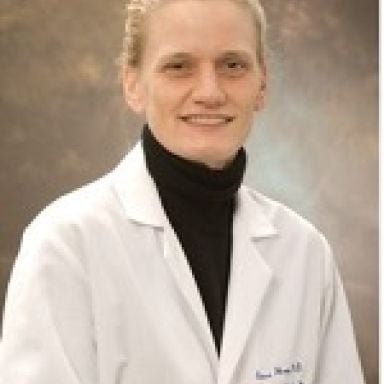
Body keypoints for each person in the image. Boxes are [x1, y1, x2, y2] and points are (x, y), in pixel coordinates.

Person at [0, 0, 366, 383]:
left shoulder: (305, 254)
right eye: (178, 66)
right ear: (133, 85)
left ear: (262, 85)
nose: (209, 92)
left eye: (233, 65)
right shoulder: (66, 245)